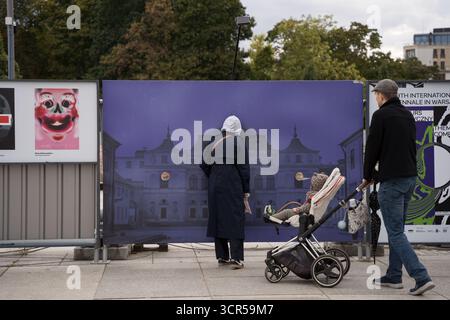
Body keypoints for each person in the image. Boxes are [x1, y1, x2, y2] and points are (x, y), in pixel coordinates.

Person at [360, 79, 434, 296]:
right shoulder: (407, 115)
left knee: (394, 232)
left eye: (376, 95)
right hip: (410, 178)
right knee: (397, 230)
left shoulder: (381, 115)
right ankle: (393, 276)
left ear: (382, 95)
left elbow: (372, 148)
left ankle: (421, 277)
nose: (375, 98)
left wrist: (368, 176)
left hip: (392, 183)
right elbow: (406, 148)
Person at [200, 115, 250, 270]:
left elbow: (204, 165)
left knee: (218, 217)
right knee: (235, 218)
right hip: (232, 183)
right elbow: (243, 168)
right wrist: (245, 190)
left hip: (215, 184)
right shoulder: (238, 143)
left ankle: (222, 256)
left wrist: (215, 176)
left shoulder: (213, 142)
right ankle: (236, 257)